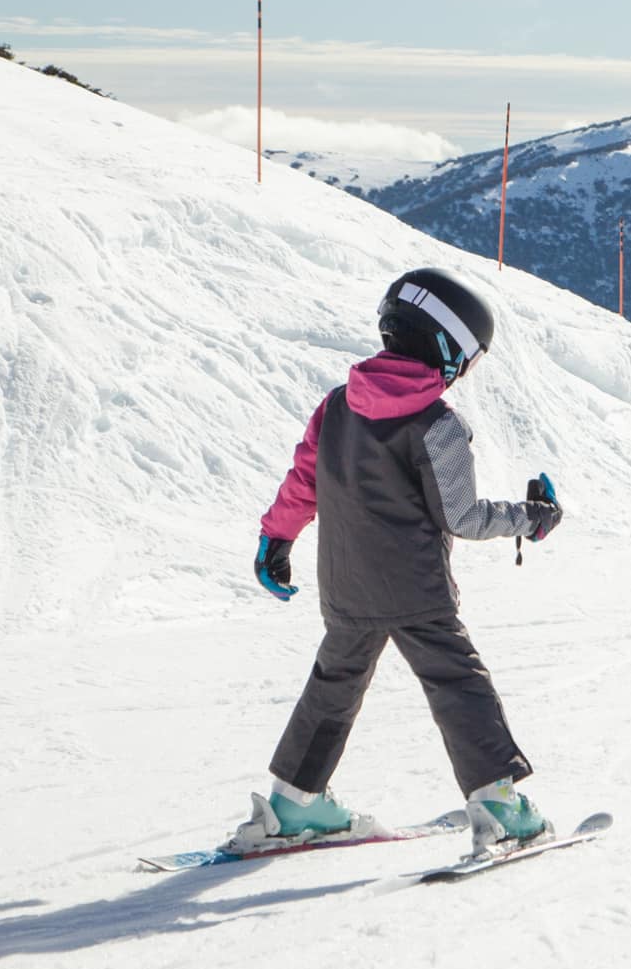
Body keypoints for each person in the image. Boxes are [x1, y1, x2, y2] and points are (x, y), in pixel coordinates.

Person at [236, 266, 565, 856]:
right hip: (415, 592)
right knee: (459, 685)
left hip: (345, 586)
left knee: (333, 686)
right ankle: (498, 804)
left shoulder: (337, 407)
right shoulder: (437, 424)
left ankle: (293, 803)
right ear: (447, 349)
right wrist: (532, 517)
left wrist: (276, 538)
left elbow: (305, 479)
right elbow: (461, 516)